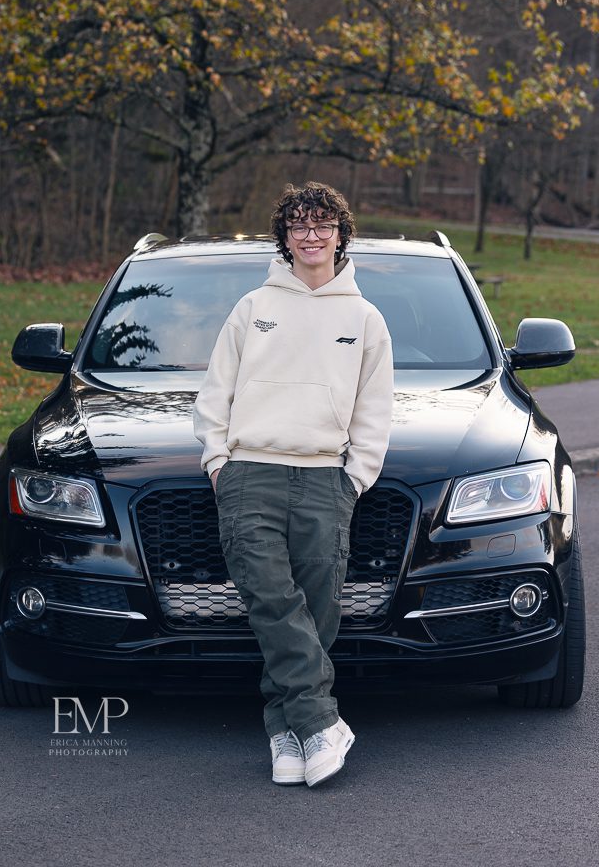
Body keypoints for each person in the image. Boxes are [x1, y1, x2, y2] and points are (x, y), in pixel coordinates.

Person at [192, 181, 393, 787]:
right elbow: (215, 393)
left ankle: (285, 733)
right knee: (271, 599)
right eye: (299, 225)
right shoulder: (253, 309)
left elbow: (374, 409)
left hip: (324, 477)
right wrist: (219, 461)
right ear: (284, 237)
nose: (311, 234)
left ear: (340, 233)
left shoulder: (363, 317)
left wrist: (354, 479)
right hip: (250, 472)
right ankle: (322, 721)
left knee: (318, 610)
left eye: (322, 224)